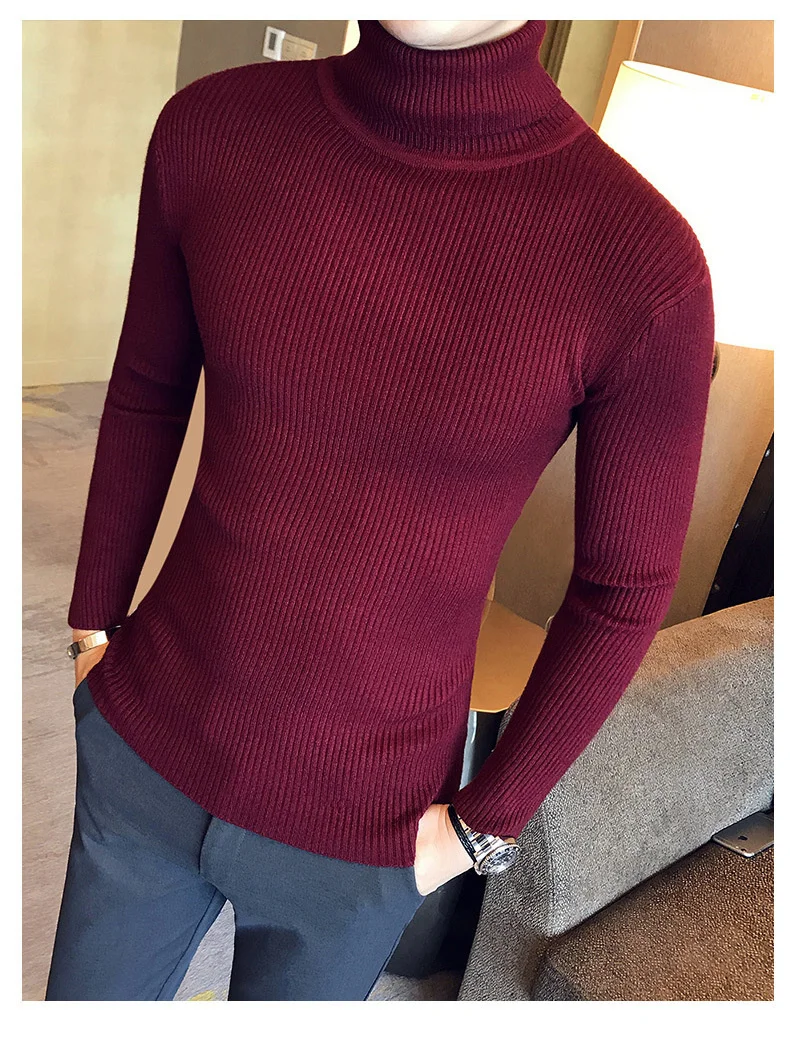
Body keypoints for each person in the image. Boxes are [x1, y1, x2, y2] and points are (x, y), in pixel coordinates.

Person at [45, 18, 716, 1000]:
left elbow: (623, 586)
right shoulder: (213, 130)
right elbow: (148, 389)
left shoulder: (642, 266)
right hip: (143, 750)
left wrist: (481, 825)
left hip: (368, 833)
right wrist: (92, 629)